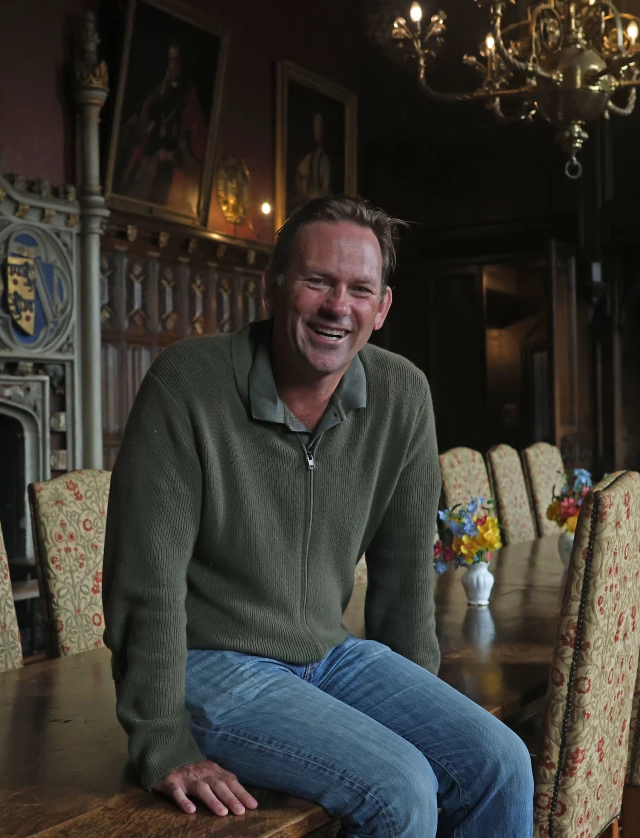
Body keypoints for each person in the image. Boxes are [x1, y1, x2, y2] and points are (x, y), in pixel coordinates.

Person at [103, 196, 533, 837]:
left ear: (382, 308)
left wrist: (414, 710)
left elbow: (404, 576)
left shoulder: (401, 394)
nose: (339, 306)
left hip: (330, 655)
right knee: (399, 790)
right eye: (318, 282)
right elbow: (146, 582)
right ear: (274, 285)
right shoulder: (187, 383)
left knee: (502, 762)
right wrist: (162, 741)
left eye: (360, 289)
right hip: (210, 663)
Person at [115, 42, 207, 215]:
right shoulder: (159, 91)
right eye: (170, 60)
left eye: (176, 61)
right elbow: (144, 119)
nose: (172, 66)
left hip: (171, 169)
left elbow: (194, 143)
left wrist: (171, 155)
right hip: (149, 160)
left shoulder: (189, 96)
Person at [294, 112, 331, 206]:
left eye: (320, 127)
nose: (318, 131)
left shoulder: (325, 159)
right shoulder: (308, 158)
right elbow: (300, 175)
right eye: (316, 127)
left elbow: (326, 188)